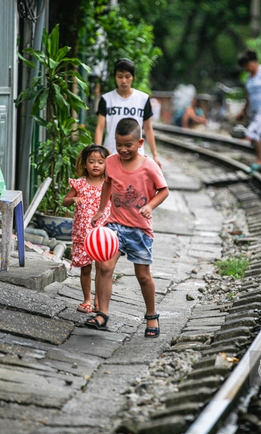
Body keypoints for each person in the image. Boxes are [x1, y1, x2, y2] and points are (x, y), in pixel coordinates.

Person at [87, 118, 169, 338]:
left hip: (140, 230)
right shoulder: (111, 162)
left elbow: (164, 191)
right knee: (104, 266)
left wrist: (150, 206)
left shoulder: (149, 166)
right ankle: (102, 313)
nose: (122, 149)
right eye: (118, 144)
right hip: (115, 224)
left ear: (140, 142)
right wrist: (101, 209)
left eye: (128, 145)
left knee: (142, 275)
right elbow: (107, 183)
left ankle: (151, 314)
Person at [62, 144, 111, 314]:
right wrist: (74, 198)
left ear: (107, 164)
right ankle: (87, 300)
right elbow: (65, 201)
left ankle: (98, 301)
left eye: (100, 162)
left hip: (102, 236)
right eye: (91, 161)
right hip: (83, 234)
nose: (96, 165)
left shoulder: (108, 184)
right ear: (84, 164)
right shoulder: (80, 184)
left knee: (101, 268)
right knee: (85, 267)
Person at [94, 58, 162, 168]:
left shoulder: (143, 99)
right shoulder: (107, 99)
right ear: (115, 77)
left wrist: (155, 155)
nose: (123, 81)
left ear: (133, 77)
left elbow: (148, 128)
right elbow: (100, 127)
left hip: (137, 155)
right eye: (120, 76)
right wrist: (98, 153)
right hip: (111, 153)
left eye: (127, 76)